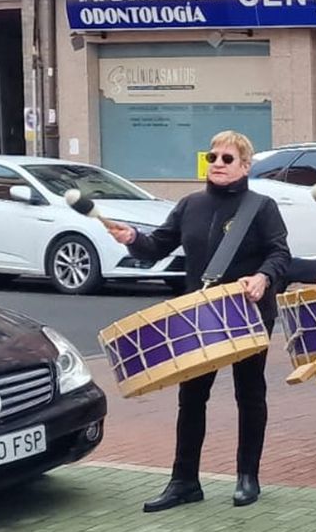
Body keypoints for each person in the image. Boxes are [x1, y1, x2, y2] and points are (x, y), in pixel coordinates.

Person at [109, 131, 290, 512]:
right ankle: (184, 480)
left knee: (249, 394)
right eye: (213, 157)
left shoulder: (261, 207)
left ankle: (247, 476)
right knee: (191, 397)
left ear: (245, 165)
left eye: (228, 158)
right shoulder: (190, 205)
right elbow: (158, 245)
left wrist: (263, 277)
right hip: (200, 313)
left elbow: (279, 253)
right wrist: (132, 238)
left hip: (247, 311)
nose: (218, 164)